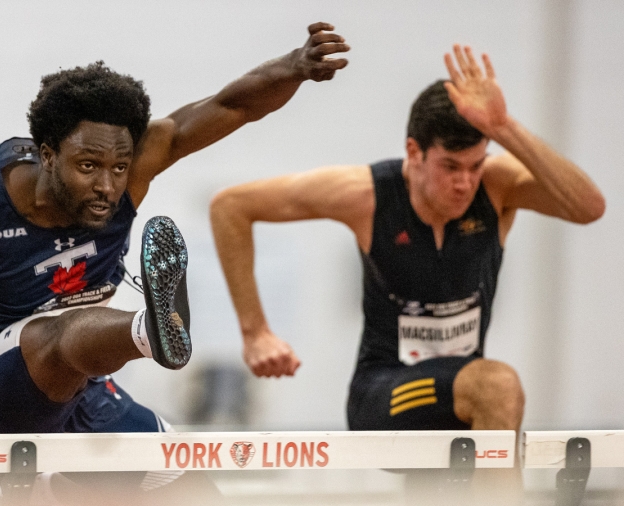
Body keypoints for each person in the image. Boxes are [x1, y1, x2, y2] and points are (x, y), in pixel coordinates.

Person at [0, 22, 350, 505]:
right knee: (57, 332)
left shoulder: (128, 171)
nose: (107, 185)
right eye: (88, 166)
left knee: (195, 492)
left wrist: (296, 65)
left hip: (84, 388)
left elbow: (231, 105)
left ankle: (145, 331)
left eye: (119, 168)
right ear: (48, 156)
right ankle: (149, 326)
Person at [210, 45, 604, 504]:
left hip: (462, 402)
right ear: (414, 153)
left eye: (475, 166)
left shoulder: (496, 188)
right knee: (497, 383)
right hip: (382, 397)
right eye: (450, 167)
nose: (464, 183)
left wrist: (504, 128)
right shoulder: (367, 195)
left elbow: (588, 207)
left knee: (487, 393)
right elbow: (231, 207)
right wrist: (255, 331)